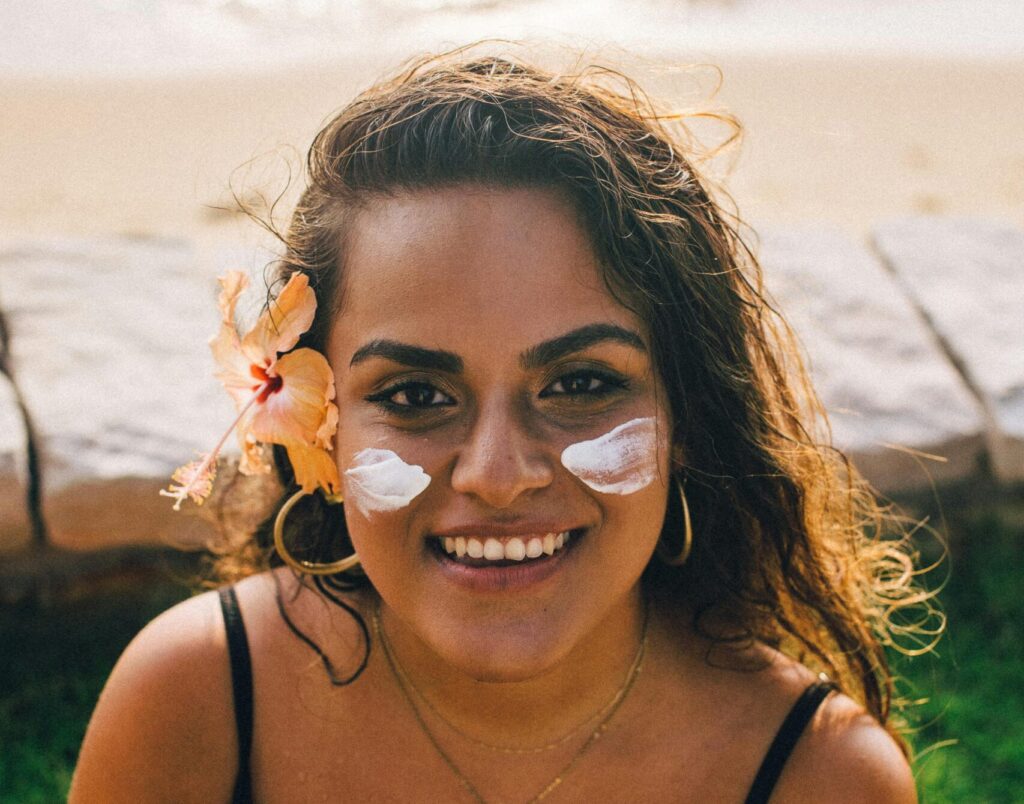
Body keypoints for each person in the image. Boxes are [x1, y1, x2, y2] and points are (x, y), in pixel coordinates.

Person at [70, 51, 922, 802]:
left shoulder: (822, 778)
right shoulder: (197, 698)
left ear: (686, 413)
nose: (497, 474)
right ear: (312, 431)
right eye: (413, 396)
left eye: (581, 382)